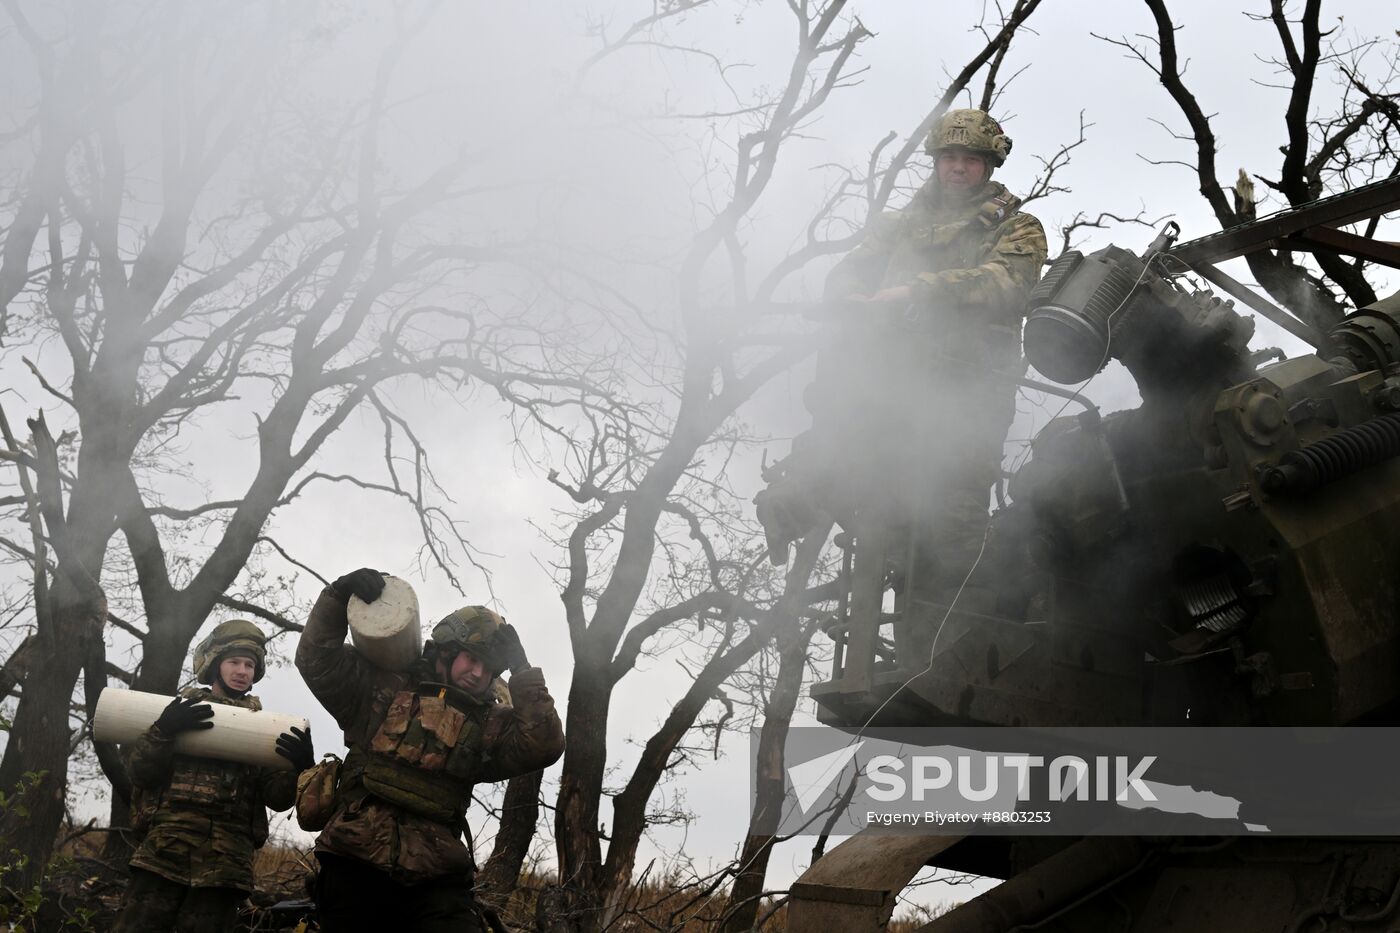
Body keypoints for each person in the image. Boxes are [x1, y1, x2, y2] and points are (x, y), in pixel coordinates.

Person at [755, 108, 1048, 663]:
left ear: (988, 165)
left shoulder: (1018, 228)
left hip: (967, 401)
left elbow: (1005, 283)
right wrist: (848, 296)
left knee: (953, 531)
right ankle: (797, 503)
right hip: (891, 391)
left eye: (969, 160)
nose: (957, 168)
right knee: (858, 485)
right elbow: (848, 272)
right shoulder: (898, 225)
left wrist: (917, 291)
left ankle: (941, 659)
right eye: (948, 159)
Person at [296, 568, 565, 932]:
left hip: (437, 877)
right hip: (354, 858)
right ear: (446, 651)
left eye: (487, 667)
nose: (477, 672)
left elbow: (544, 745)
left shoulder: (489, 723)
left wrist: (522, 672)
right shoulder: (380, 688)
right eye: (471, 657)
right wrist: (338, 595)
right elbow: (317, 659)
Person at [115, 619, 315, 933]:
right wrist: (163, 731)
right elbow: (142, 773)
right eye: (234, 662)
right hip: (165, 852)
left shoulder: (263, 728)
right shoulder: (181, 712)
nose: (242, 671)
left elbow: (277, 798)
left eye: (249, 664)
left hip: (226, 864)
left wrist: (300, 768)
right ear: (214, 664)